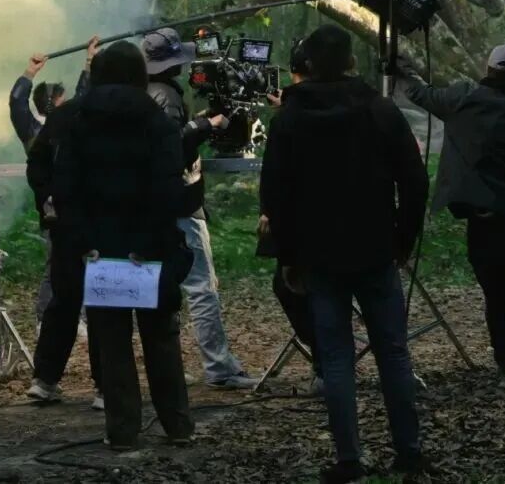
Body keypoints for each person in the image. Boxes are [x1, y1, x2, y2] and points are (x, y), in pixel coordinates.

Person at [261, 25, 430, 483]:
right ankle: (409, 452)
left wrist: (288, 256)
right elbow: (414, 180)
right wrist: (403, 238)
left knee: (336, 357)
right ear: (352, 62)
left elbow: (275, 195)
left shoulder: (289, 120)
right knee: (393, 353)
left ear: (307, 67)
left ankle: (349, 459)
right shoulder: (380, 110)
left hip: (318, 256)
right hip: (375, 248)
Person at [51, 41, 194, 450]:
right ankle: (178, 425)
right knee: (161, 336)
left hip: (100, 251)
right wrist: (154, 242)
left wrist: (83, 243)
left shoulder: (77, 121)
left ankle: (123, 431)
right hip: (151, 248)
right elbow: (168, 189)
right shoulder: (157, 121)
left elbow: (65, 189)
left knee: (112, 342)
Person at [397, 44, 505, 389]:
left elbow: (421, 93)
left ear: (488, 70)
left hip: (484, 222)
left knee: (495, 292)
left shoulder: (463, 100)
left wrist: (401, 66)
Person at [141, 28, 257, 390]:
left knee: (159, 288)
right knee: (202, 286)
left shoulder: (143, 93)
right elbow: (171, 148)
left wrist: (202, 123)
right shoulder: (166, 96)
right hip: (179, 203)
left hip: (150, 206)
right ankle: (220, 367)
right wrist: (208, 124)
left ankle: (167, 365)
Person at [10, 42, 95, 330]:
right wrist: (30, 72)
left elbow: (17, 103)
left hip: (70, 201)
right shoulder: (41, 128)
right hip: (56, 204)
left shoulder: (34, 127)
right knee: (58, 263)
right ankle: (47, 317)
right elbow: (17, 102)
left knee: (77, 260)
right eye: (62, 98)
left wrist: (88, 63)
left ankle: (75, 316)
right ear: (54, 102)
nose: (67, 101)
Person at [259, 39, 322, 396]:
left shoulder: (288, 121)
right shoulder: (369, 105)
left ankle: (326, 361)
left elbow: (277, 179)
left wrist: (272, 220)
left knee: (291, 287)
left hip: (309, 232)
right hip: (365, 232)